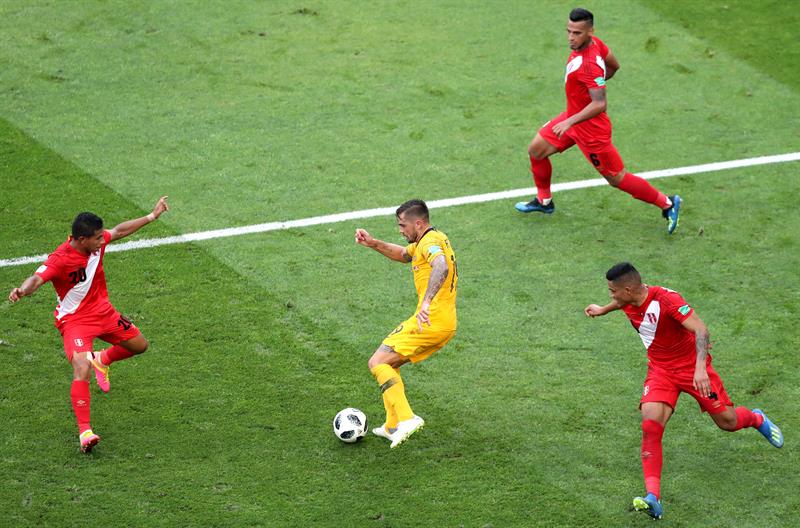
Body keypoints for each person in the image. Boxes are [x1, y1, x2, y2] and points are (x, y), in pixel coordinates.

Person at [584, 262, 783, 520]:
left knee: (728, 422)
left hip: (693, 369)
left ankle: (757, 419)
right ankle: (652, 498)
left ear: (629, 289)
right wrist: (602, 310)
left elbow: (701, 329)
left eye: (612, 291)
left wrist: (700, 369)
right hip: (660, 372)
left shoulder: (667, 300)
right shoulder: (630, 299)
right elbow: (623, 304)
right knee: (650, 425)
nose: (610, 295)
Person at [8, 197, 169, 453]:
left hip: (104, 313)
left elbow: (118, 231)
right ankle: (85, 431)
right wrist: (22, 290)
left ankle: (102, 360)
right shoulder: (60, 259)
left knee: (139, 345)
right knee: (81, 366)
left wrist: (152, 216)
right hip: (75, 322)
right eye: (96, 239)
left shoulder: (96, 244)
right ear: (80, 239)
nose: (101, 241)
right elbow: (37, 278)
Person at [515, 8, 682, 234]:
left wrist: (572, 118)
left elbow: (600, 103)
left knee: (617, 179)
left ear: (590, 31)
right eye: (569, 31)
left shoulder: (588, 64)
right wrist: (590, 91)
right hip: (574, 119)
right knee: (536, 150)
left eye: (577, 33)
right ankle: (544, 202)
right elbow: (614, 65)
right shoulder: (596, 44)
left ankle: (668, 203)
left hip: (591, 131)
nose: (571, 37)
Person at [354, 199, 458, 448]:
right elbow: (402, 254)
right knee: (390, 363)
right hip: (442, 322)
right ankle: (392, 425)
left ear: (418, 223)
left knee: (377, 362)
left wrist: (426, 302)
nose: (400, 231)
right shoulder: (428, 240)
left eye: (403, 225)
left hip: (430, 321)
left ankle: (407, 418)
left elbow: (441, 265)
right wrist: (372, 243)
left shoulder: (430, 243)